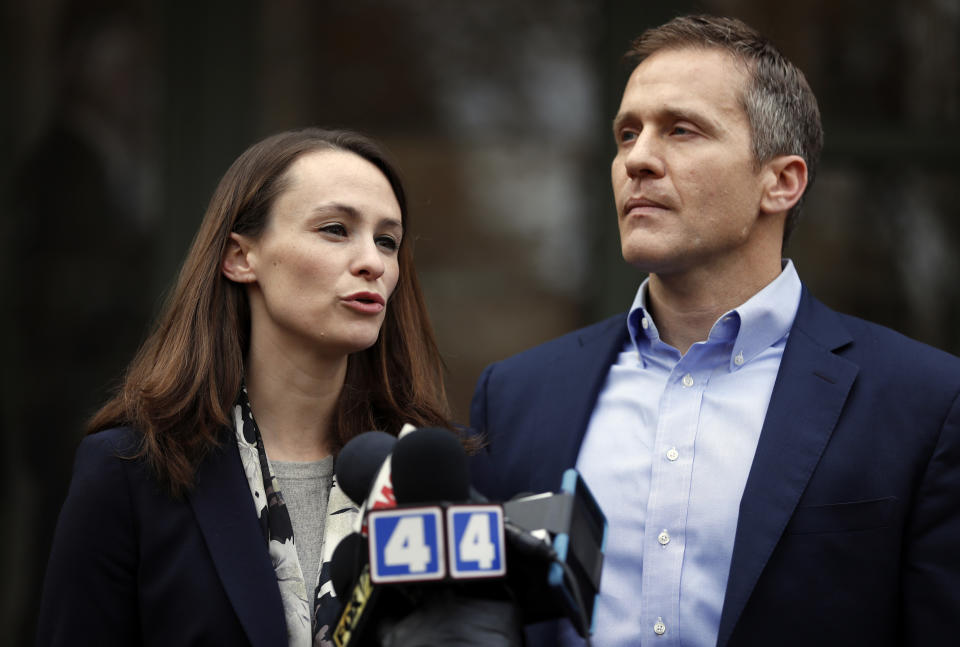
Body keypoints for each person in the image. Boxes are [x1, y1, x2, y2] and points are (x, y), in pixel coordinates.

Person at [470, 14, 960, 647]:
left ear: (781, 182)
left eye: (681, 130)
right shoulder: (515, 397)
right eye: (626, 134)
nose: (637, 160)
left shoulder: (925, 402)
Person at [37, 127, 454, 646]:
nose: (373, 261)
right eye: (334, 229)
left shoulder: (433, 478)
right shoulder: (132, 472)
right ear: (240, 257)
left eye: (387, 240)